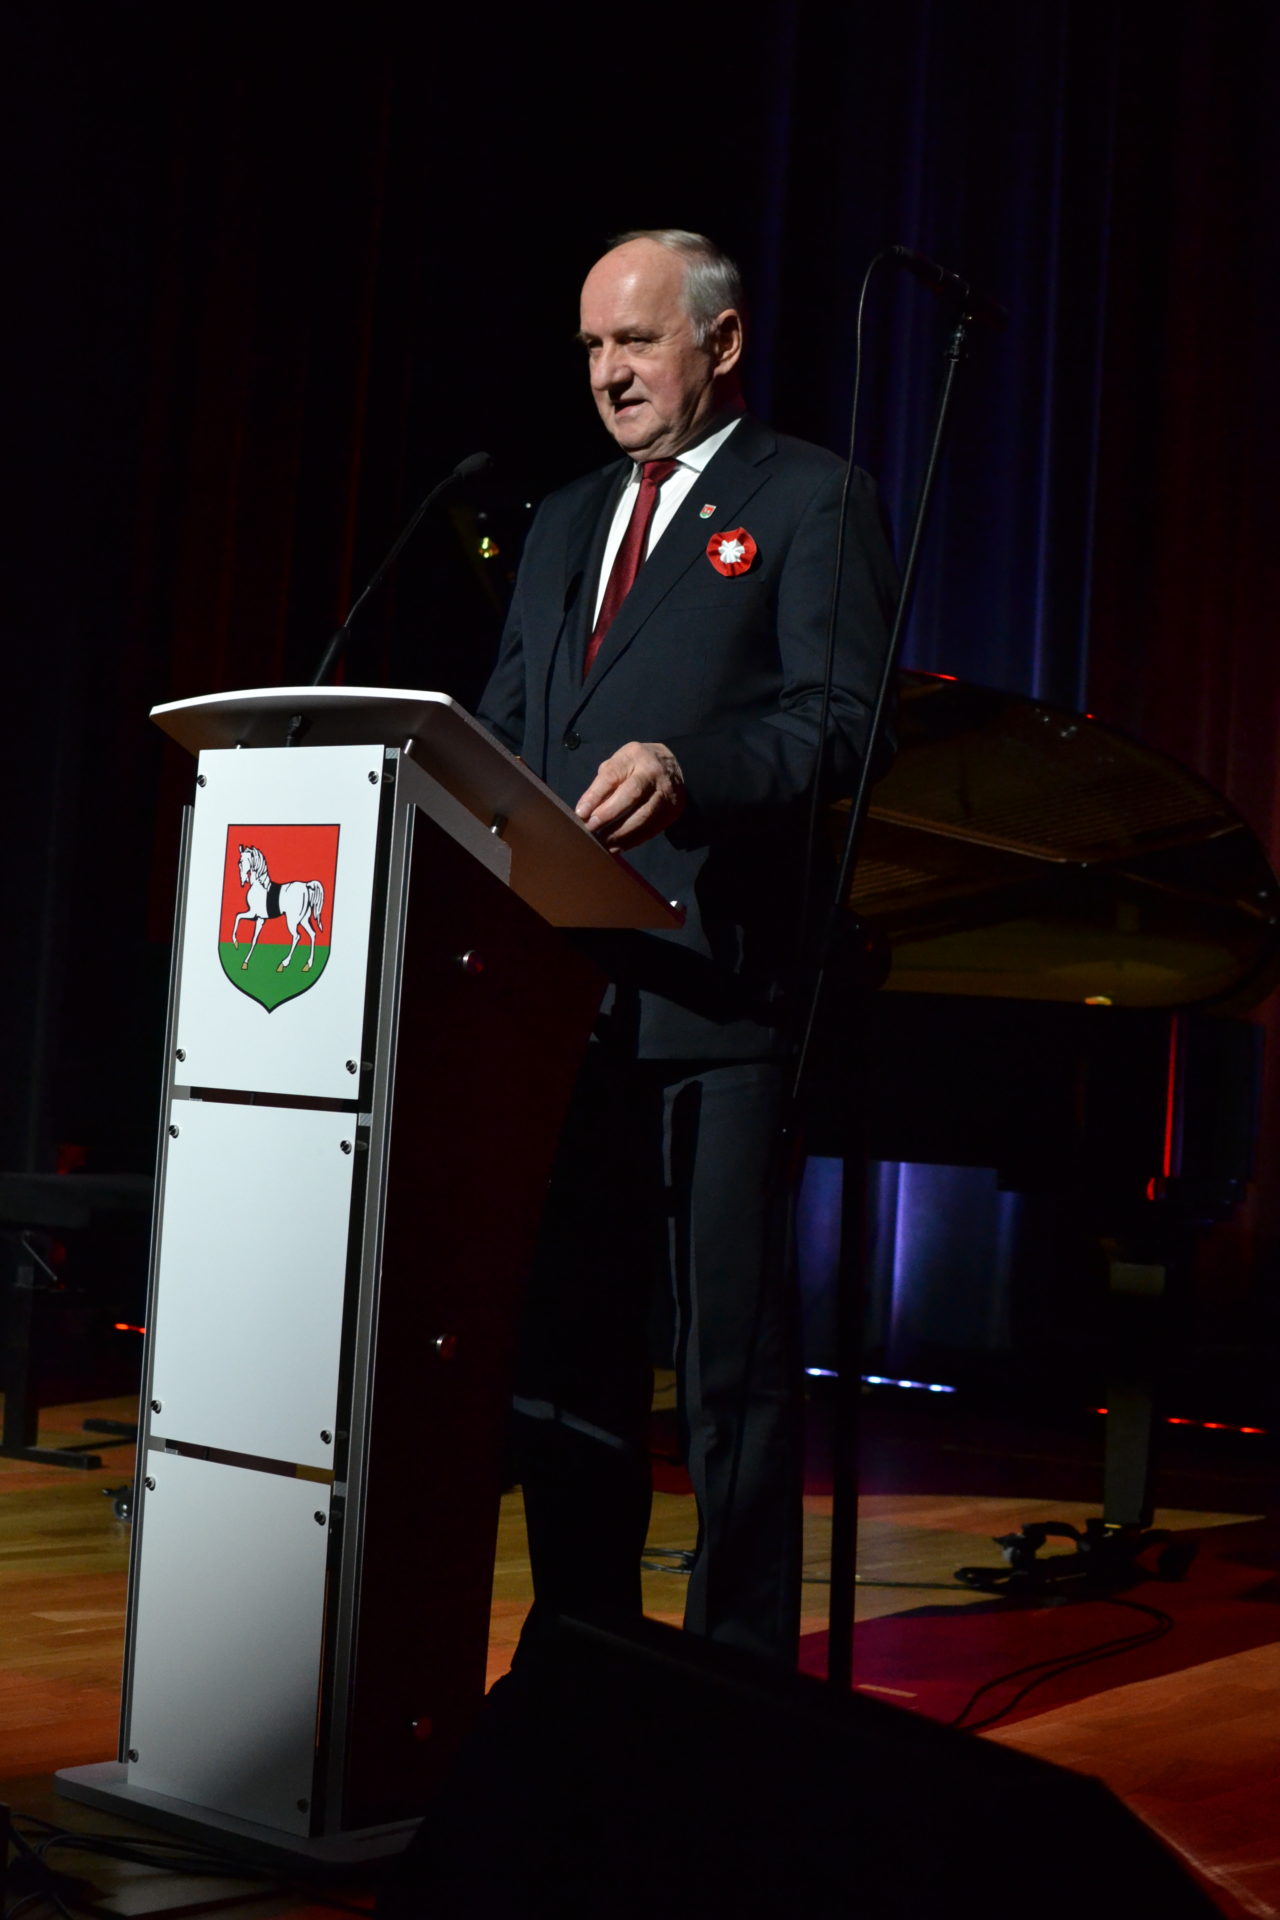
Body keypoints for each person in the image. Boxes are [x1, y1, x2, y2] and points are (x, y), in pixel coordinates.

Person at [476, 229, 896, 1665]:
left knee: (729, 1373)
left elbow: (844, 725)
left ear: (720, 343)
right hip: (565, 1004)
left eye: (637, 341)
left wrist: (688, 768)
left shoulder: (811, 497)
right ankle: (583, 1653)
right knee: (569, 1360)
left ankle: (736, 1686)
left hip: (724, 997)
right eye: (593, 347)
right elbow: (509, 728)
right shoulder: (562, 518)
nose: (609, 373)